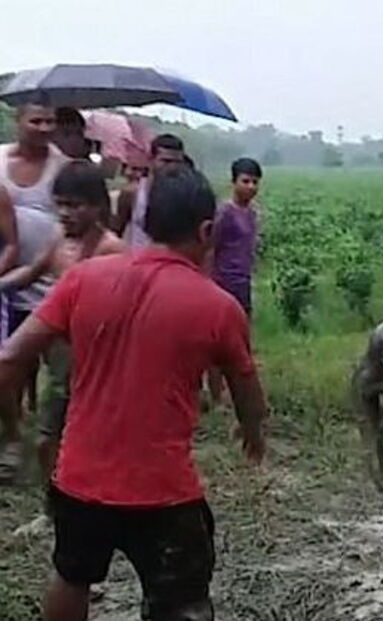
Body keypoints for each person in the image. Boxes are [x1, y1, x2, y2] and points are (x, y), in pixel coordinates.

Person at [0, 166, 267, 621]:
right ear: (206, 230)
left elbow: (10, 357)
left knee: (71, 575)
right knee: (183, 599)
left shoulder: (84, 279)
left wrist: (12, 425)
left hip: (78, 480)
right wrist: (253, 429)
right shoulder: (218, 306)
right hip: (163, 493)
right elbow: (247, 388)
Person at [1, 161, 125, 535]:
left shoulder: (112, 251)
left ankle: (104, 508)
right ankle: (52, 510)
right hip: (60, 352)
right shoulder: (59, 239)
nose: (67, 214)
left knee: (97, 438)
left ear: (99, 206)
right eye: (61, 205)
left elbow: (122, 314)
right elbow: (33, 272)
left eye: (76, 205)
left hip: (99, 358)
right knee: (47, 435)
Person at [0, 104, 70, 483]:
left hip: (54, 287)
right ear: (19, 122)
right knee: (7, 369)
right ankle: (12, 438)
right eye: (36, 120)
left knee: (60, 375)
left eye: (50, 121)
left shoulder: (64, 167)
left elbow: (74, 220)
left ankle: (57, 447)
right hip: (9, 290)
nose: (44, 128)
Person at [207, 158, 262, 406]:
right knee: (217, 340)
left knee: (240, 340)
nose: (250, 186)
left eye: (255, 182)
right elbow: (210, 247)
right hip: (222, 282)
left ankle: (235, 392)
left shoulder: (252, 213)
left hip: (243, 282)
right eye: (245, 181)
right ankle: (216, 394)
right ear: (233, 182)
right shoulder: (224, 212)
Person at [112, 133, 185, 249]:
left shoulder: (183, 197)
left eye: (177, 162)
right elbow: (117, 231)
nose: (172, 168)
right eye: (166, 161)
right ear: (151, 160)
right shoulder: (132, 193)